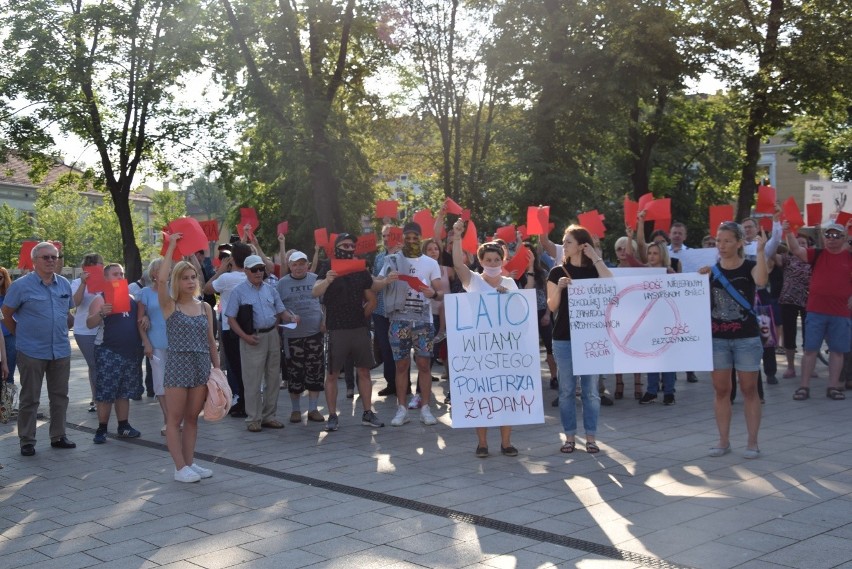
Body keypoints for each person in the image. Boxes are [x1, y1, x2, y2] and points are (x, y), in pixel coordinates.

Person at [452, 219, 519, 457]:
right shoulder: (474, 281)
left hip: (505, 351)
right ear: (481, 261)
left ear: (503, 261)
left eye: (497, 259)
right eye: (488, 260)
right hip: (480, 350)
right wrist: (457, 237)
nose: (493, 263)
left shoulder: (510, 283)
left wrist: (509, 297)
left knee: (506, 396)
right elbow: (457, 264)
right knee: (482, 395)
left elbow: (521, 314)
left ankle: (506, 442)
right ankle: (482, 443)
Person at [1, 242, 76, 456]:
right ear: (34, 261)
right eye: (46, 257)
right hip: (31, 351)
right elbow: (5, 314)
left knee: (60, 396)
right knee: (30, 398)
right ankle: (27, 440)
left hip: (60, 349)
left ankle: (59, 435)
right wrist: (19, 334)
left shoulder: (63, 283)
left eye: (54, 257)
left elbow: (67, 313)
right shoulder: (21, 286)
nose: (51, 260)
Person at [700, 222, 767, 459]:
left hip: (746, 338)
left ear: (739, 243)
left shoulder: (749, 266)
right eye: (718, 240)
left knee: (750, 389)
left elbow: (760, 281)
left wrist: (760, 252)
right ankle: (723, 441)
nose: (722, 245)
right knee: (721, 390)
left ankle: (752, 442)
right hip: (717, 339)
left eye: (727, 240)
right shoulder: (710, 272)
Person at [158, 234, 220, 482]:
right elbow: (161, 279)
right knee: (175, 419)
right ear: (177, 280)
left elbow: (211, 341)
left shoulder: (204, 306)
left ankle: (189, 464)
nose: (190, 281)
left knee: (193, 418)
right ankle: (179, 466)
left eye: (193, 276)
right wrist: (172, 246)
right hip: (178, 365)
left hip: (201, 365)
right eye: (185, 277)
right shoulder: (170, 306)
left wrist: (217, 370)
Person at [547, 226, 613, 454]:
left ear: (581, 245)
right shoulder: (557, 272)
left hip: (591, 339)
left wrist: (595, 256)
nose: (564, 246)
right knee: (566, 390)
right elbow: (551, 306)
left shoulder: (595, 270)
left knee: (591, 391)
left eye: (568, 242)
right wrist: (560, 290)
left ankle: (591, 437)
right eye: (564, 242)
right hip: (564, 338)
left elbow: (611, 282)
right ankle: (569, 437)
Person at [312, 234, 384, 430]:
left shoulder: (359, 266)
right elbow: (315, 291)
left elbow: (372, 286)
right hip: (336, 329)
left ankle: (367, 413)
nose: (349, 248)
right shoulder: (328, 265)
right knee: (333, 374)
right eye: (344, 245)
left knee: (364, 371)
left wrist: (387, 281)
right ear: (336, 247)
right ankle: (333, 416)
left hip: (359, 327)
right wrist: (327, 281)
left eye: (352, 245)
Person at [376, 221, 443, 427]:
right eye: (408, 237)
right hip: (398, 320)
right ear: (402, 238)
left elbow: (440, 292)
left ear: (420, 238)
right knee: (401, 365)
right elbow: (375, 284)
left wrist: (433, 293)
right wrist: (387, 280)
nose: (412, 241)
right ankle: (402, 408)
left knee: (424, 364)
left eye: (416, 237)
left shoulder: (430, 263)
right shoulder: (392, 260)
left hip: (423, 321)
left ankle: (425, 407)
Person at [225, 254, 295, 432]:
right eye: (254, 269)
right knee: (252, 380)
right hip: (252, 338)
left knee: (273, 378)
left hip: (271, 334)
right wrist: (244, 336)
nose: (258, 272)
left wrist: (292, 317)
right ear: (246, 271)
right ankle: (253, 418)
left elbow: (281, 311)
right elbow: (231, 318)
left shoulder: (270, 289)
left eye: (261, 269)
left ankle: (269, 416)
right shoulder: (239, 291)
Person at [786, 222, 851, 401]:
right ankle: (804, 387)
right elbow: (796, 250)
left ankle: (833, 386)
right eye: (829, 235)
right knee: (810, 350)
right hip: (816, 310)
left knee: (838, 351)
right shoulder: (818, 254)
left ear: (844, 238)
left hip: (841, 312)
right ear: (824, 237)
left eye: (837, 235)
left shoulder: (849, 257)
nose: (832, 239)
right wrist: (788, 232)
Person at [86, 263, 143, 443]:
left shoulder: (131, 298)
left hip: (129, 351)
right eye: (115, 274)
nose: (119, 277)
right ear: (106, 278)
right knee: (106, 392)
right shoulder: (100, 299)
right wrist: (101, 314)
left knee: (124, 392)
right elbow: (89, 323)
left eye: (121, 274)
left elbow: (138, 320)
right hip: (108, 351)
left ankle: (123, 425)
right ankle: (101, 429)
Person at [276, 251, 325, 425]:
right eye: (295, 264)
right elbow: (278, 308)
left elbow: (324, 302)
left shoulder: (315, 279)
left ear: (307, 264)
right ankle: (296, 410)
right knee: (294, 374)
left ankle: (313, 409)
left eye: (302, 264)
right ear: (290, 266)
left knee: (315, 372)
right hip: (293, 336)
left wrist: (324, 321)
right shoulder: (282, 283)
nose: (298, 268)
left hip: (315, 334)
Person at [204, 242, 251, 417]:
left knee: (236, 367)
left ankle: (243, 401)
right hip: (249, 327)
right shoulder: (251, 276)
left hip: (229, 328)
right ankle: (249, 401)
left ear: (232, 259)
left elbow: (207, 288)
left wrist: (222, 268)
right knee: (248, 367)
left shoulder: (226, 278)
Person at [138, 258, 170, 435]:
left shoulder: (174, 290)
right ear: (154, 274)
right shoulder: (145, 293)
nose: (168, 272)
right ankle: (167, 419)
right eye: (163, 269)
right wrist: (146, 343)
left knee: (175, 383)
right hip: (156, 343)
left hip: (176, 343)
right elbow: (139, 320)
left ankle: (174, 417)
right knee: (160, 382)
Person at [71, 253, 104, 412]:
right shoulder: (77, 282)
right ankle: (98, 399)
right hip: (84, 330)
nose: (101, 267)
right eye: (98, 264)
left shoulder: (106, 280)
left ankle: (99, 396)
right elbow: (74, 303)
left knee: (101, 364)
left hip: (104, 328)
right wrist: (84, 283)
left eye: (102, 264)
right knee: (94, 364)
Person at [777, 233, 812, 379]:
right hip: (788, 300)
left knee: (809, 335)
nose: (801, 245)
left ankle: (810, 367)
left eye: (804, 243)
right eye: (798, 243)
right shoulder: (787, 259)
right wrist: (775, 234)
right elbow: (771, 253)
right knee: (789, 335)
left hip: (809, 300)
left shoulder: (814, 259)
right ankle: (790, 367)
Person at [0, 266, 17, 404]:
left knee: (8, 371)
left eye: (0, 277)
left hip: (8, 335)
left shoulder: (9, 295)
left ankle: (6, 407)